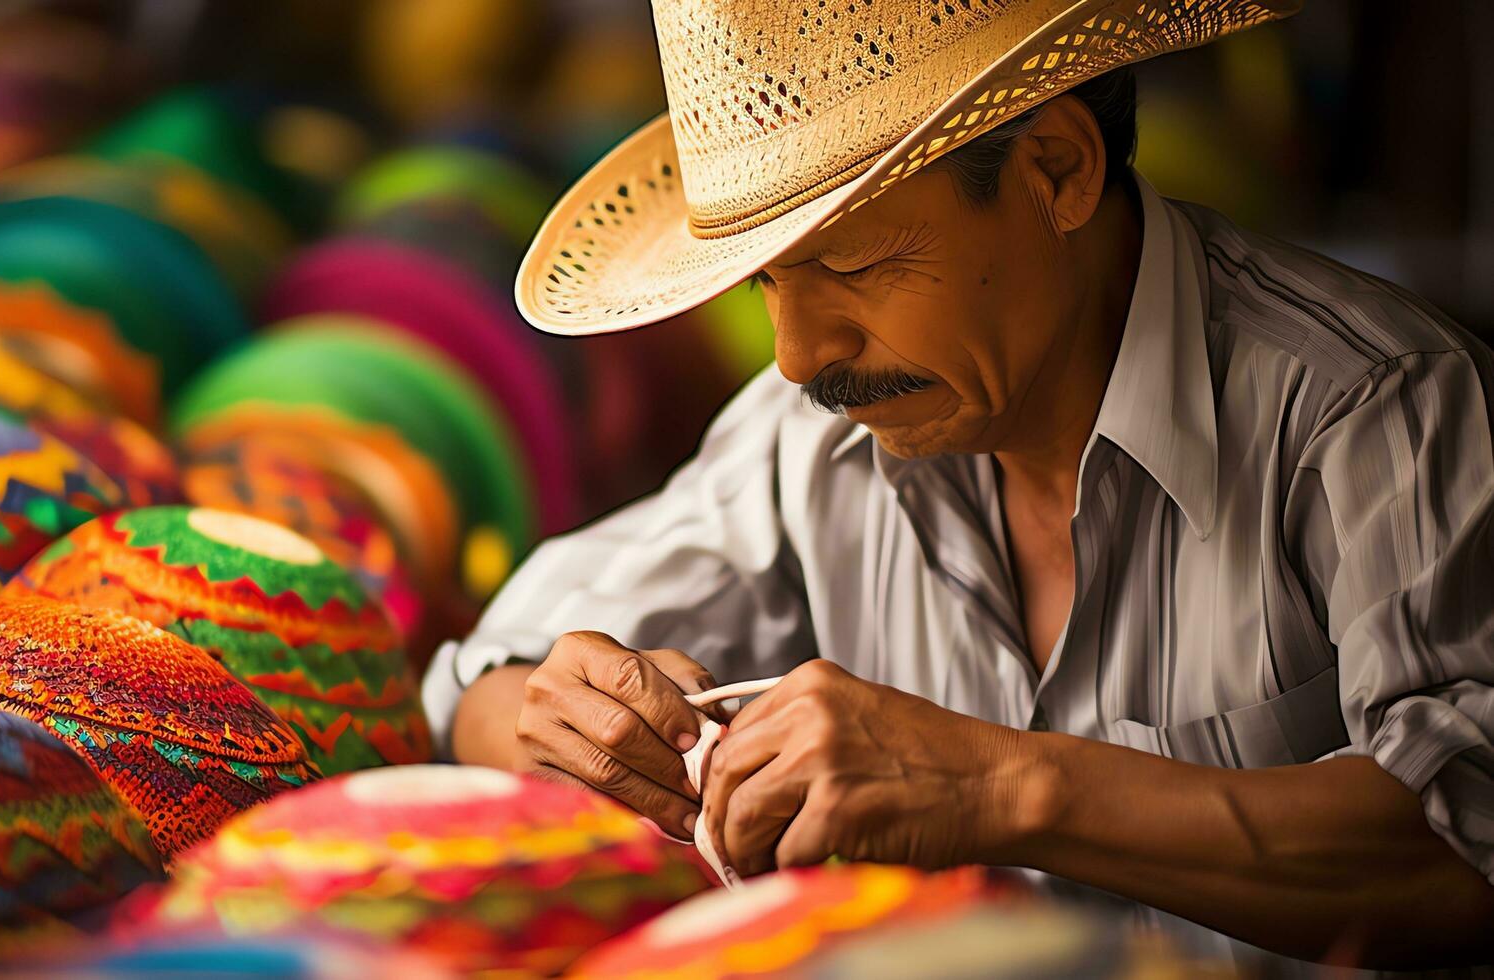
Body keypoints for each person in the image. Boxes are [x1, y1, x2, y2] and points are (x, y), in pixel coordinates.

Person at [424, 0, 1494, 969]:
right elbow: (478, 684)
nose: (797, 354)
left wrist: (996, 785)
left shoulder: (1373, 411)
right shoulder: (812, 437)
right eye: (762, 281)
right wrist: (563, 719)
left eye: (849, 265)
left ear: (1056, 171)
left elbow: (1463, 850)